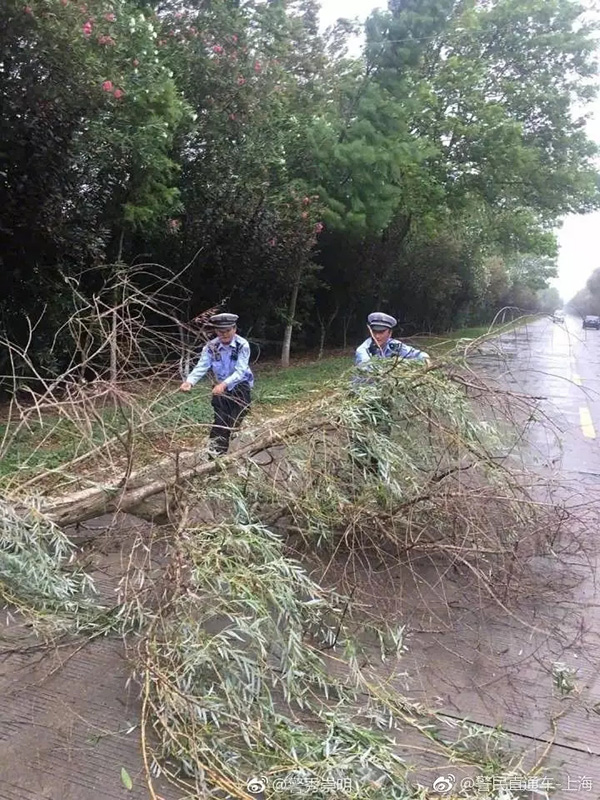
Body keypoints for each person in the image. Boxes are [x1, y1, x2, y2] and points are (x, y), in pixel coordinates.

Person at [180, 312, 254, 455]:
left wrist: (223, 385)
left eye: (227, 331)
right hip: (220, 388)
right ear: (216, 331)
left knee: (236, 416)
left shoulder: (242, 345)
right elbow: (202, 366)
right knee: (220, 422)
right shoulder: (211, 347)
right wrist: (189, 382)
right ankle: (215, 455)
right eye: (220, 331)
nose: (224, 334)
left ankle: (230, 436)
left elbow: (240, 371)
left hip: (239, 385)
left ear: (234, 329)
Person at [355, 312, 429, 367]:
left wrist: (425, 359)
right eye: (374, 331)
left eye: (381, 332)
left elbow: (414, 354)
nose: (377, 336)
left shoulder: (393, 345)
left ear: (390, 333)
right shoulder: (363, 350)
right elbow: (369, 369)